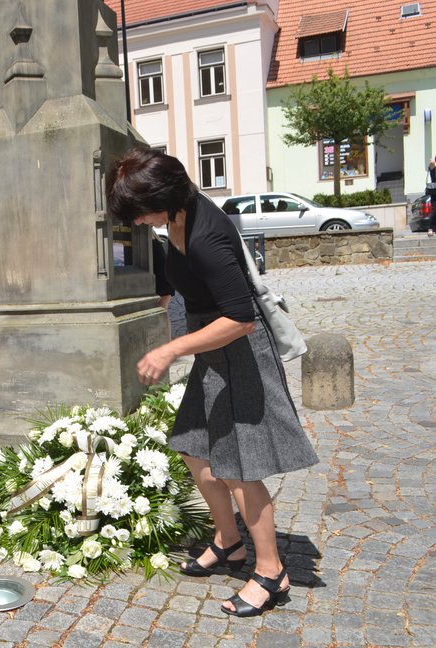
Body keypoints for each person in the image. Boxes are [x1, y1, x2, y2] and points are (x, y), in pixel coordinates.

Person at [104, 148, 319, 617]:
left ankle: (270, 571)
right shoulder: (178, 219)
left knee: (241, 465)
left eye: (140, 211)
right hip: (211, 348)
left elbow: (241, 318)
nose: (139, 222)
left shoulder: (205, 235)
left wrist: (171, 348)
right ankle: (229, 541)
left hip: (240, 351)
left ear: (163, 197)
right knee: (193, 445)